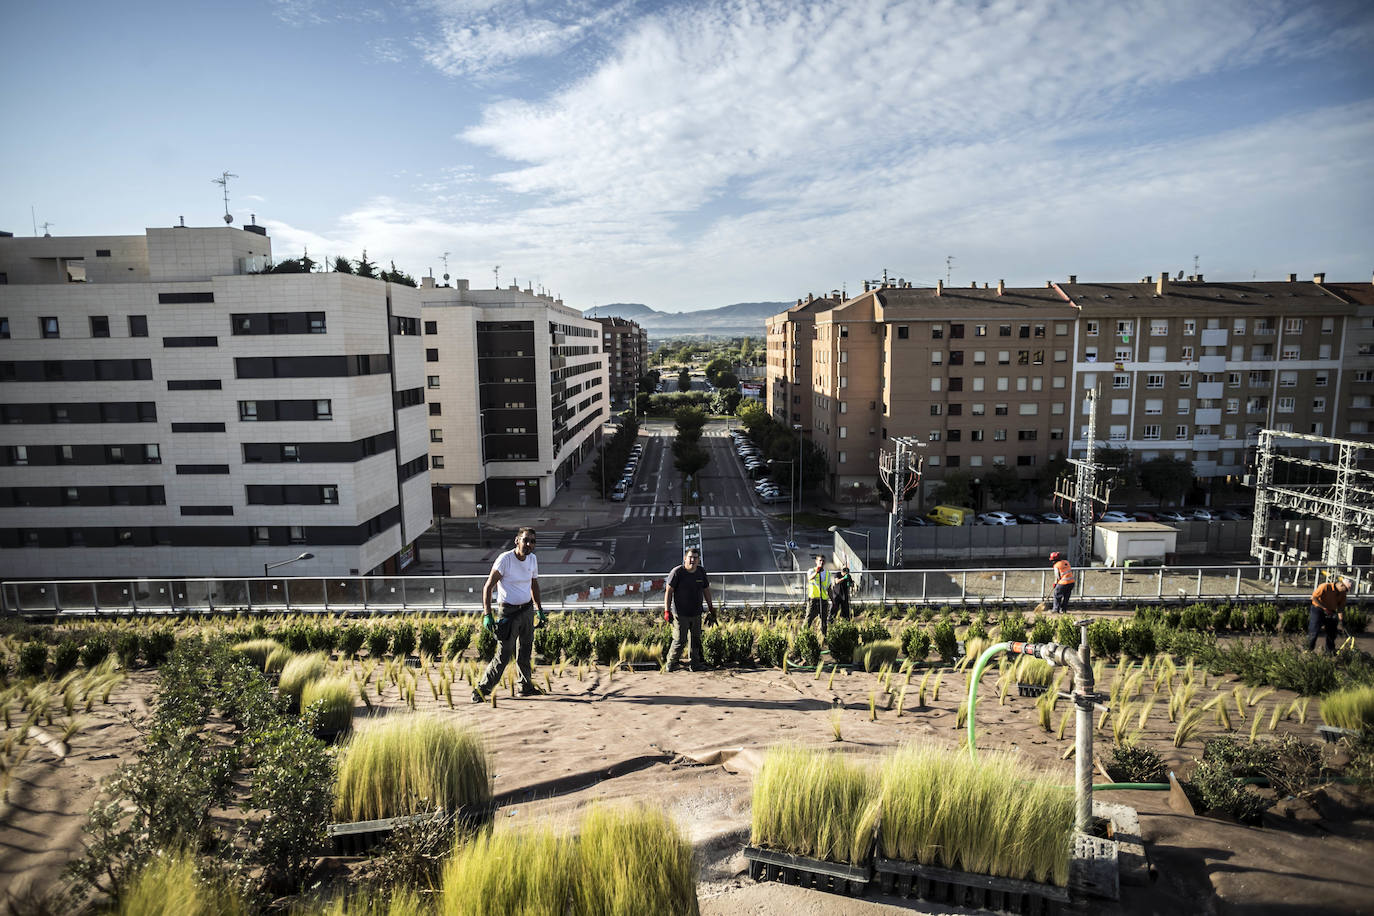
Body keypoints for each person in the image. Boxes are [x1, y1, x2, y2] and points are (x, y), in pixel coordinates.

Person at [473, 527, 546, 701]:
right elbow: (488, 587)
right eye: (526, 540)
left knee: (526, 650)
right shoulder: (505, 560)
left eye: (532, 541)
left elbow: (533, 585)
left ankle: (525, 686)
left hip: (527, 610)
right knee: (504, 654)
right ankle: (482, 690)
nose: (529, 544)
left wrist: (540, 609)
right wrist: (487, 614)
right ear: (517, 540)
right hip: (508, 612)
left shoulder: (532, 559)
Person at [664, 548, 715, 671]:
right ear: (685, 558)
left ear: (698, 560)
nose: (692, 560)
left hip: (696, 613)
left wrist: (711, 608)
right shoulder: (677, 572)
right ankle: (671, 664)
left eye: (695, 558)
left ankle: (695, 664)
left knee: (695, 640)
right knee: (680, 640)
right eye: (690, 557)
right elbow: (668, 592)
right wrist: (667, 611)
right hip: (680, 614)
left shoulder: (701, 572)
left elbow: (706, 590)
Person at [1308, 577, 1350, 654]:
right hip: (1318, 609)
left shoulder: (1343, 594)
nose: (1346, 592)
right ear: (1341, 585)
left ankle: (1330, 651)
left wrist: (1341, 619)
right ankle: (1308, 650)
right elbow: (1313, 598)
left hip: (1331, 611)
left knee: (1332, 632)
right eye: (1346, 589)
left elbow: (1340, 607)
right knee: (1314, 631)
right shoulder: (1325, 586)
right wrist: (1324, 608)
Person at [805, 555, 832, 636]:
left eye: (823, 561)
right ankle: (803, 635)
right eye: (820, 560)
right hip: (813, 600)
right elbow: (810, 578)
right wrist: (817, 572)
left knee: (824, 621)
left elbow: (829, 588)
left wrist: (832, 599)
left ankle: (823, 637)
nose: (821, 562)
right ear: (816, 561)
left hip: (823, 600)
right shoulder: (811, 571)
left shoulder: (827, 573)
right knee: (808, 619)